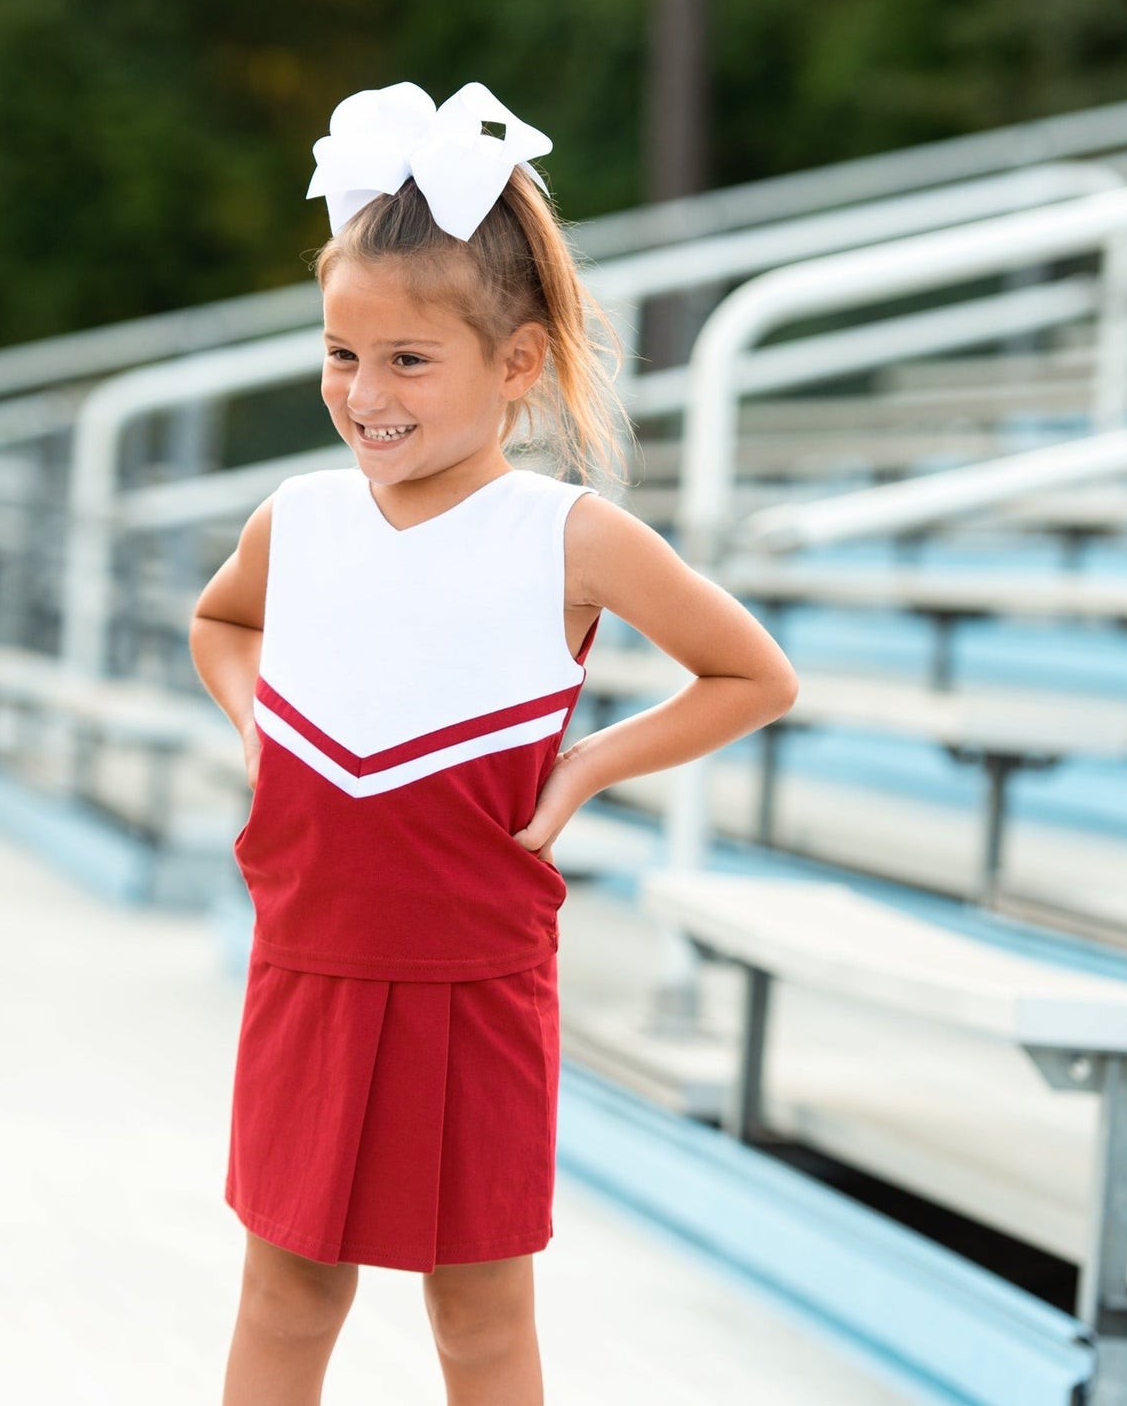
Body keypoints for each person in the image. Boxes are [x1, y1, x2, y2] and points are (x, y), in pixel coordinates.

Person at [190, 80, 798, 1406]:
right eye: (342, 354)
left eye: (410, 360)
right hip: (307, 962)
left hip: (470, 972)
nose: (366, 392)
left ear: (515, 364)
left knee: (476, 1311)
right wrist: (258, 729)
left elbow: (751, 672)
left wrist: (586, 764)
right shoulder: (295, 519)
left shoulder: (566, 534)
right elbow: (219, 624)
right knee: (285, 1289)